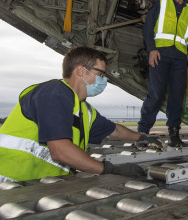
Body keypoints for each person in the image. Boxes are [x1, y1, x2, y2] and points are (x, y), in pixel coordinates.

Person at [0, 46, 157, 183]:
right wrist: (109, 170)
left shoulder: (84, 110)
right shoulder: (54, 93)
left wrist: (142, 137)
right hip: (10, 184)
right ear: (81, 71)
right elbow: (60, 150)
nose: (104, 80)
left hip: (38, 186)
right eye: (101, 74)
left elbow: (114, 130)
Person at [138, 0, 188, 147]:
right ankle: (142, 134)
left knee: (176, 97)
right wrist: (151, 49)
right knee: (155, 94)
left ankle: (174, 135)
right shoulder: (160, 0)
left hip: (180, 59)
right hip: (160, 55)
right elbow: (149, 26)